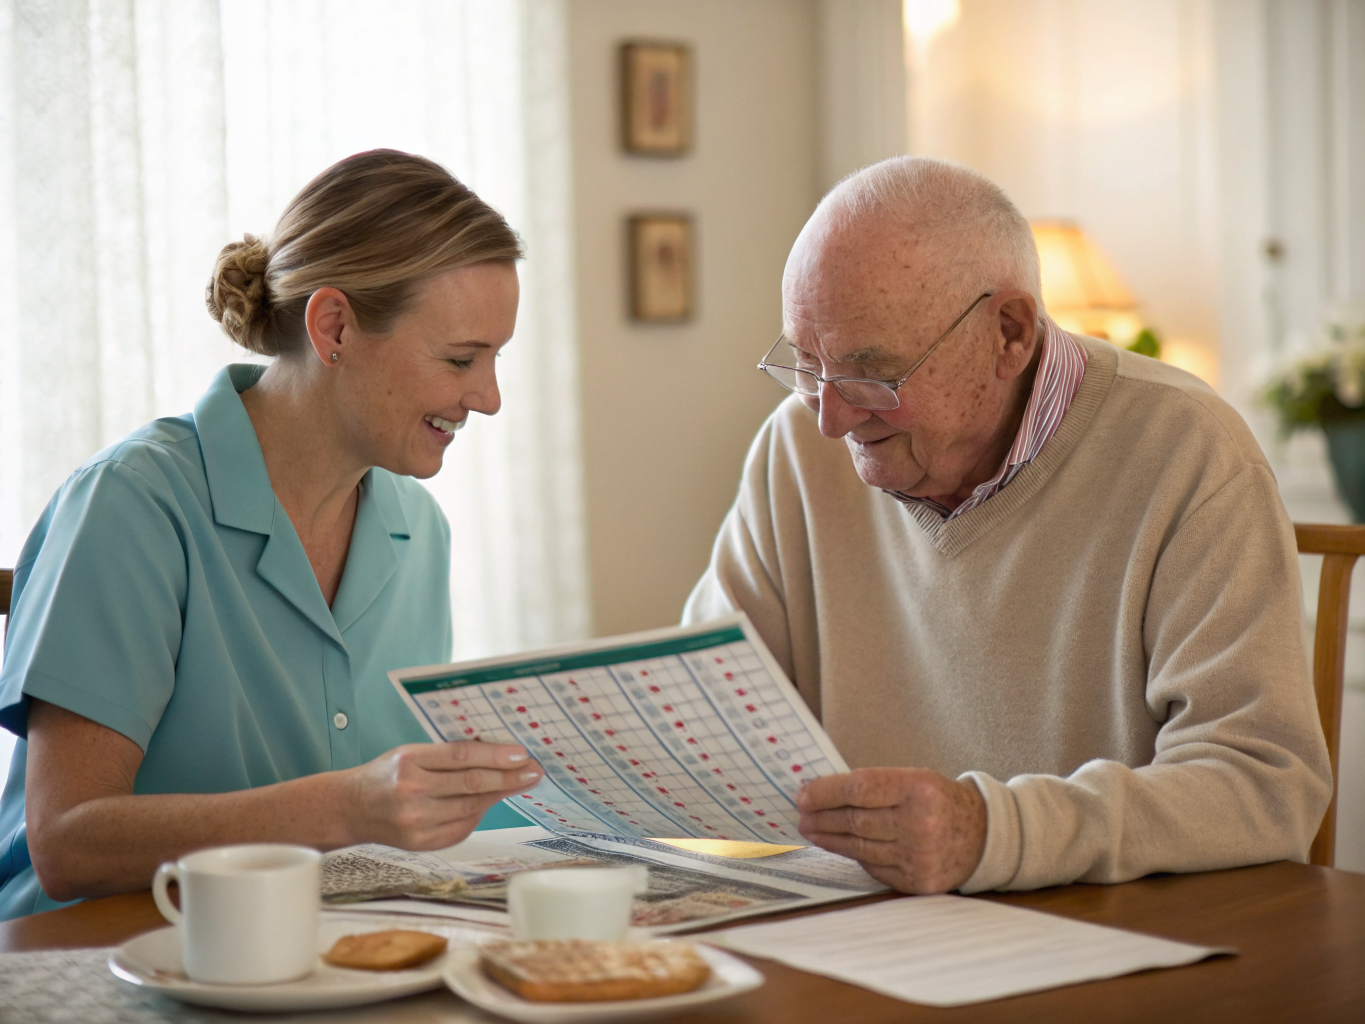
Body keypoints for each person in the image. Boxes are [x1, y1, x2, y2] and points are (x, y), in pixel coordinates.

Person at [684, 156, 1332, 895]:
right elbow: (704, 711)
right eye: (804, 365)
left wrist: (989, 833)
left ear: (1010, 334)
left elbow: (1261, 786)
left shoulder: (1187, 452)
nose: (830, 418)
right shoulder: (797, 448)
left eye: (873, 373)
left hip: (1114, 942)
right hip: (865, 935)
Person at [0, 150, 544, 919]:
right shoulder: (132, 504)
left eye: (494, 358)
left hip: (306, 952)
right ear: (333, 328)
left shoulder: (419, 530)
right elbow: (66, 844)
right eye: (461, 358)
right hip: (98, 954)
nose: (487, 398)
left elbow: (385, 819)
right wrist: (347, 806)